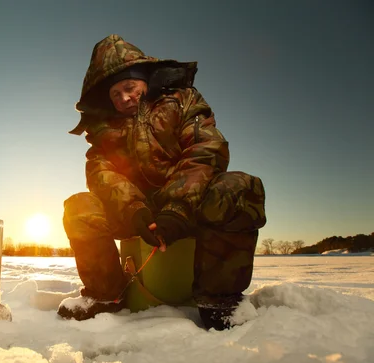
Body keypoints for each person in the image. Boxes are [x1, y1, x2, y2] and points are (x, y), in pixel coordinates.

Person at [58, 34, 266, 330]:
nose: (124, 98)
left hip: (190, 205)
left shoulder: (183, 101)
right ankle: (105, 296)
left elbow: (206, 151)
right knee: (80, 206)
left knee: (239, 187)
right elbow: (103, 175)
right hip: (136, 211)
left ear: (145, 79)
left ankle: (220, 301)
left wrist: (177, 208)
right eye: (115, 95)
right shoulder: (103, 129)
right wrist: (135, 209)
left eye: (129, 88)